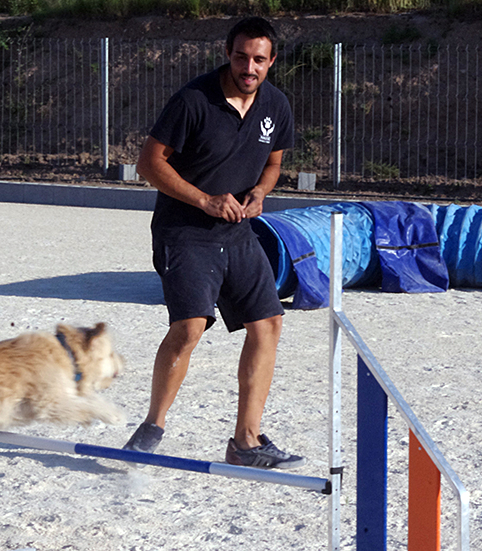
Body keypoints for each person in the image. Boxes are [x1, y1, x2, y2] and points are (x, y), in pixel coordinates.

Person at [124, 16, 304, 469]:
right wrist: (205, 200)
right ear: (228, 53)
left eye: (259, 59)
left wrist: (260, 194)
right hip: (184, 231)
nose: (249, 67)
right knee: (190, 327)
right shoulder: (193, 100)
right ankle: (152, 427)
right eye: (241, 57)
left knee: (268, 323)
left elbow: (273, 164)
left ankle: (246, 442)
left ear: (272, 61)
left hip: (237, 232)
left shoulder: (276, 105)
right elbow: (149, 163)